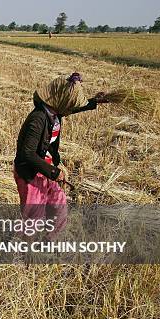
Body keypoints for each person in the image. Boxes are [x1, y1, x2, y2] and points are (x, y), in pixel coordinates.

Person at [13, 72, 108, 239]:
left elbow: (75, 107)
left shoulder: (55, 113)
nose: (70, 108)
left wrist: (94, 102)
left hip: (47, 167)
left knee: (58, 204)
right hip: (31, 171)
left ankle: (51, 239)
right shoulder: (38, 119)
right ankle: (24, 250)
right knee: (34, 216)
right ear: (61, 102)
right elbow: (27, 153)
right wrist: (54, 172)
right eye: (69, 104)